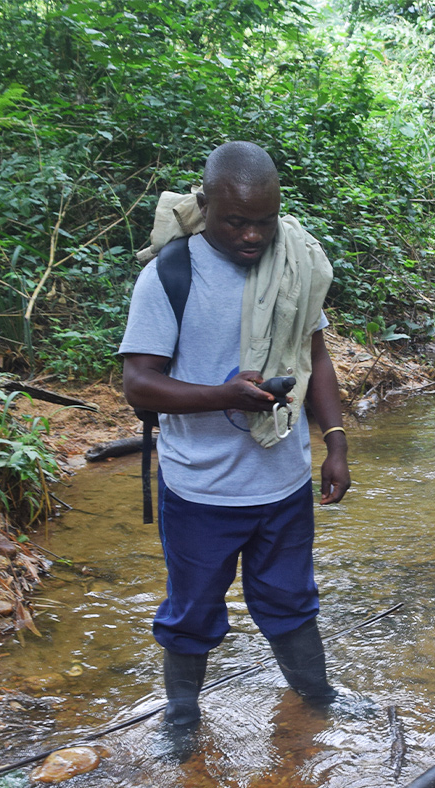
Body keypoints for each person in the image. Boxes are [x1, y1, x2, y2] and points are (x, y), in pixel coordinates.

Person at [118, 141, 351, 729]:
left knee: (292, 604)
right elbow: (139, 385)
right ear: (208, 203)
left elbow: (314, 357)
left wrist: (336, 441)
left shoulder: (293, 265)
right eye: (236, 222)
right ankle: (181, 721)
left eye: (264, 222)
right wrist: (225, 395)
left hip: (283, 484)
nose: (252, 236)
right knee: (191, 612)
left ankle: (318, 706)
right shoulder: (170, 275)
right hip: (202, 490)